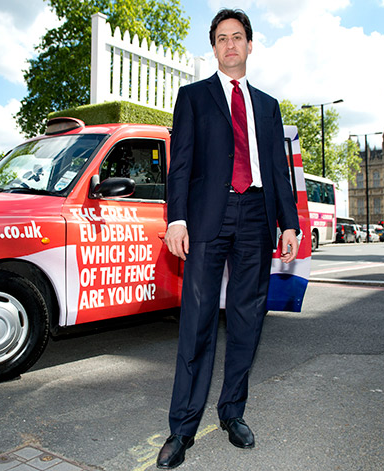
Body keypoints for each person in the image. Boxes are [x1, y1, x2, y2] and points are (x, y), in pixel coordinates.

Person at [156, 8, 300, 469]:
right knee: (197, 322)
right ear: (214, 47)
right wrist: (176, 219)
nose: (230, 45)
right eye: (221, 38)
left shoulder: (269, 106)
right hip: (206, 220)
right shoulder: (193, 97)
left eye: (238, 37)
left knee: (246, 321)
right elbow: (179, 165)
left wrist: (289, 224)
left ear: (250, 45)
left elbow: (279, 171)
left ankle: (232, 413)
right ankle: (182, 429)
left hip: (257, 216)